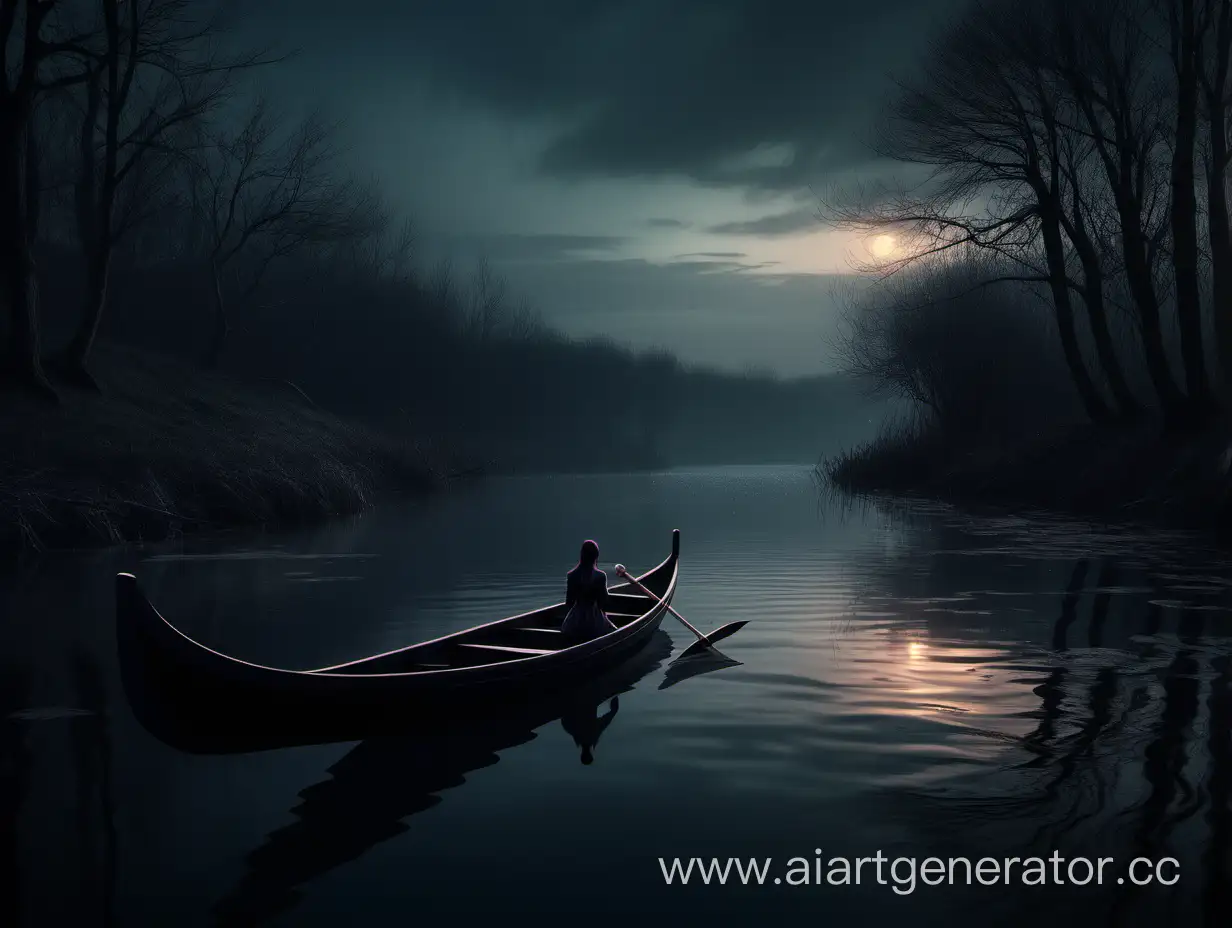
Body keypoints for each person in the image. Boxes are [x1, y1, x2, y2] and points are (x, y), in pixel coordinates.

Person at [560, 539, 616, 641]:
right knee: (614, 631)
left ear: (581, 555)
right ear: (596, 556)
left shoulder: (571, 575)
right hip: (594, 621)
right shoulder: (601, 576)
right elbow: (603, 604)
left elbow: (569, 602)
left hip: (575, 622)